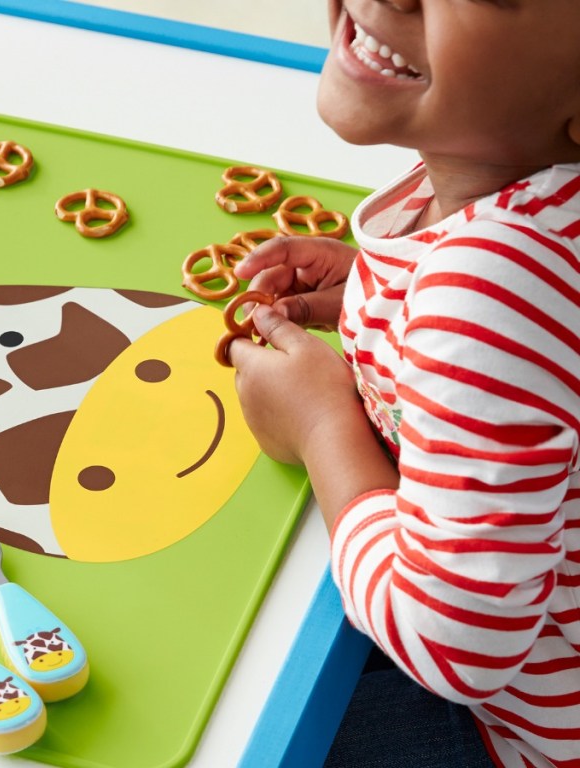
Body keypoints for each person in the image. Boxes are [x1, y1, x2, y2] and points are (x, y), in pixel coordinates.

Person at [225, 1, 580, 767]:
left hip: (519, 736)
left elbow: (454, 646)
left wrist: (324, 432)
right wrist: (389, 296)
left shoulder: (487, 287)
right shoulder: (514, 181)